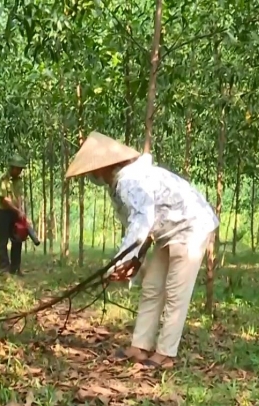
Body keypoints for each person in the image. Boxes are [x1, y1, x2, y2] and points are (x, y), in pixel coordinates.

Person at [65, 131, 220, 369]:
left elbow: (142, 220)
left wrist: (120, 261)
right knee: (152, 287)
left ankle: (166, 354)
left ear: (103, 167)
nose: (92, 176)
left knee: (175, 291)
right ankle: (140, 346)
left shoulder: (130, 181)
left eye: (92, 171)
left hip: (191, 226)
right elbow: (140, 224)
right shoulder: (122, 182)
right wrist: (132, 260)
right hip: (168, 231)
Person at [0, 154, 29, 275]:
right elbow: (5, 200)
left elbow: (19, 196)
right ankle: (4, 269)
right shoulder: (2, 180)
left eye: (21, 169)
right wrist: (17, 211)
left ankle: (16, 268)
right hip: (2, 213)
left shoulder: (18, 181)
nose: (19, 171)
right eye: (18, 169)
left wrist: (21, 211)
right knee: (3, 242)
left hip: (14, 213)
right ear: (12, 168)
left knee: (17, 239)